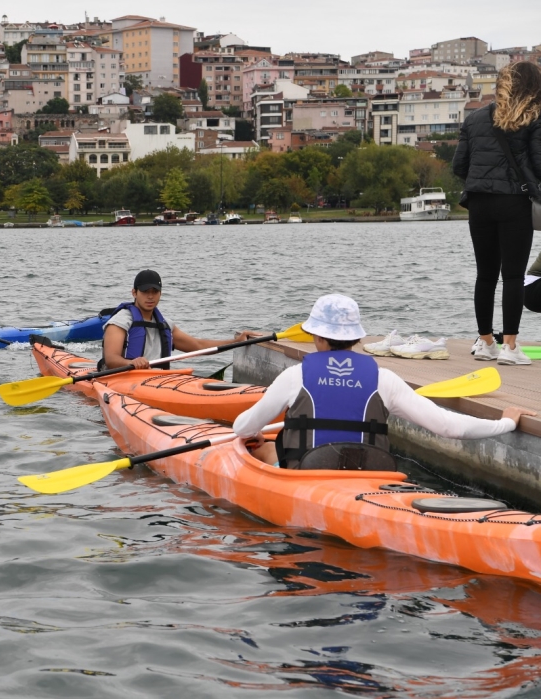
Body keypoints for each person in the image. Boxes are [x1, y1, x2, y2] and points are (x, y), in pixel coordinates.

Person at [233, 294, 535, 470]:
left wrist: (255, 433)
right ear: (356, 337)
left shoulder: (294, 376)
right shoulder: (384, 379)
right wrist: (505, 423)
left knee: (265, 445)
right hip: (369, 479)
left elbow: (241, 429)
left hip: (308, 478)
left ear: (317, 336)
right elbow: (449, 427)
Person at [452, 61, 541, 366]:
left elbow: (458, 166)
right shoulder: (533, 118)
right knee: (513, 275)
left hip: (478, 202)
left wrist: (482, 182)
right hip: (514, 201)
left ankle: (487, 341)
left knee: (485, 275)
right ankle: (511, 347)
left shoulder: (475, 118)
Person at [100, 269, 261, 370]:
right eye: (145, 291)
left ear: (160, 293)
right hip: (123, 378)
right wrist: (132, 363)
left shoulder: (165, 325)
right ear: (134, 293)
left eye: (155, 292)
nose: (150, 296)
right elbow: (111, 359)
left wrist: (237, 342)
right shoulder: (120, 322)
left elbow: (198, 346)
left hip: (155, 381)